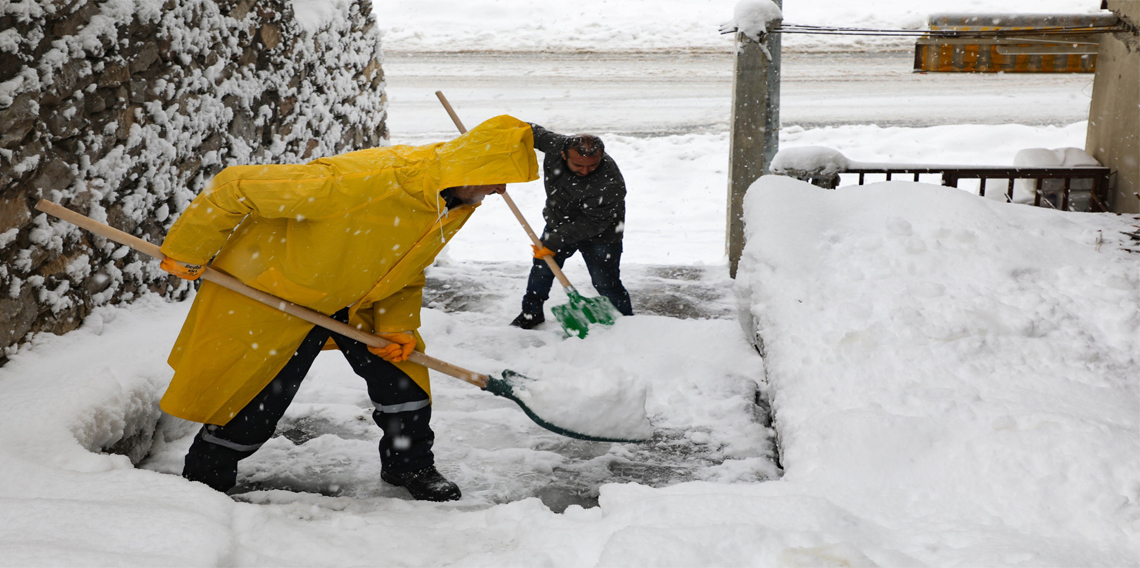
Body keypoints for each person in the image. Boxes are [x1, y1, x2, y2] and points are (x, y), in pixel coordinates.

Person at [157, 115, 538, 501]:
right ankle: (205, 478)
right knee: (255, 397)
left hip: (356, 299)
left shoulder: (450, 200)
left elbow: (405, 265)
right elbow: (234, 186)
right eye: (499, 177)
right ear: (473, 168)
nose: (502, 189)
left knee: (403, 383)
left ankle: (410, 466)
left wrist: (397, 325)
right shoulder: (360, 182)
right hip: (280, 293)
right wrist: (189, 249)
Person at [510, 124, 634, 329]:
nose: (585, 171)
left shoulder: (609, 182)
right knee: (541, 271)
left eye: (592, 165)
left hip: (602, 235)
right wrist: (496, 135)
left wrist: (554, 239)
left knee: (606, 283)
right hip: (559, 222)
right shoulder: (554, 145)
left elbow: (594, 222)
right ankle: (531, 314)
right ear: (563, 154)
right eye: (578, 165)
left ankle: (626, 324)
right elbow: (527, 131)